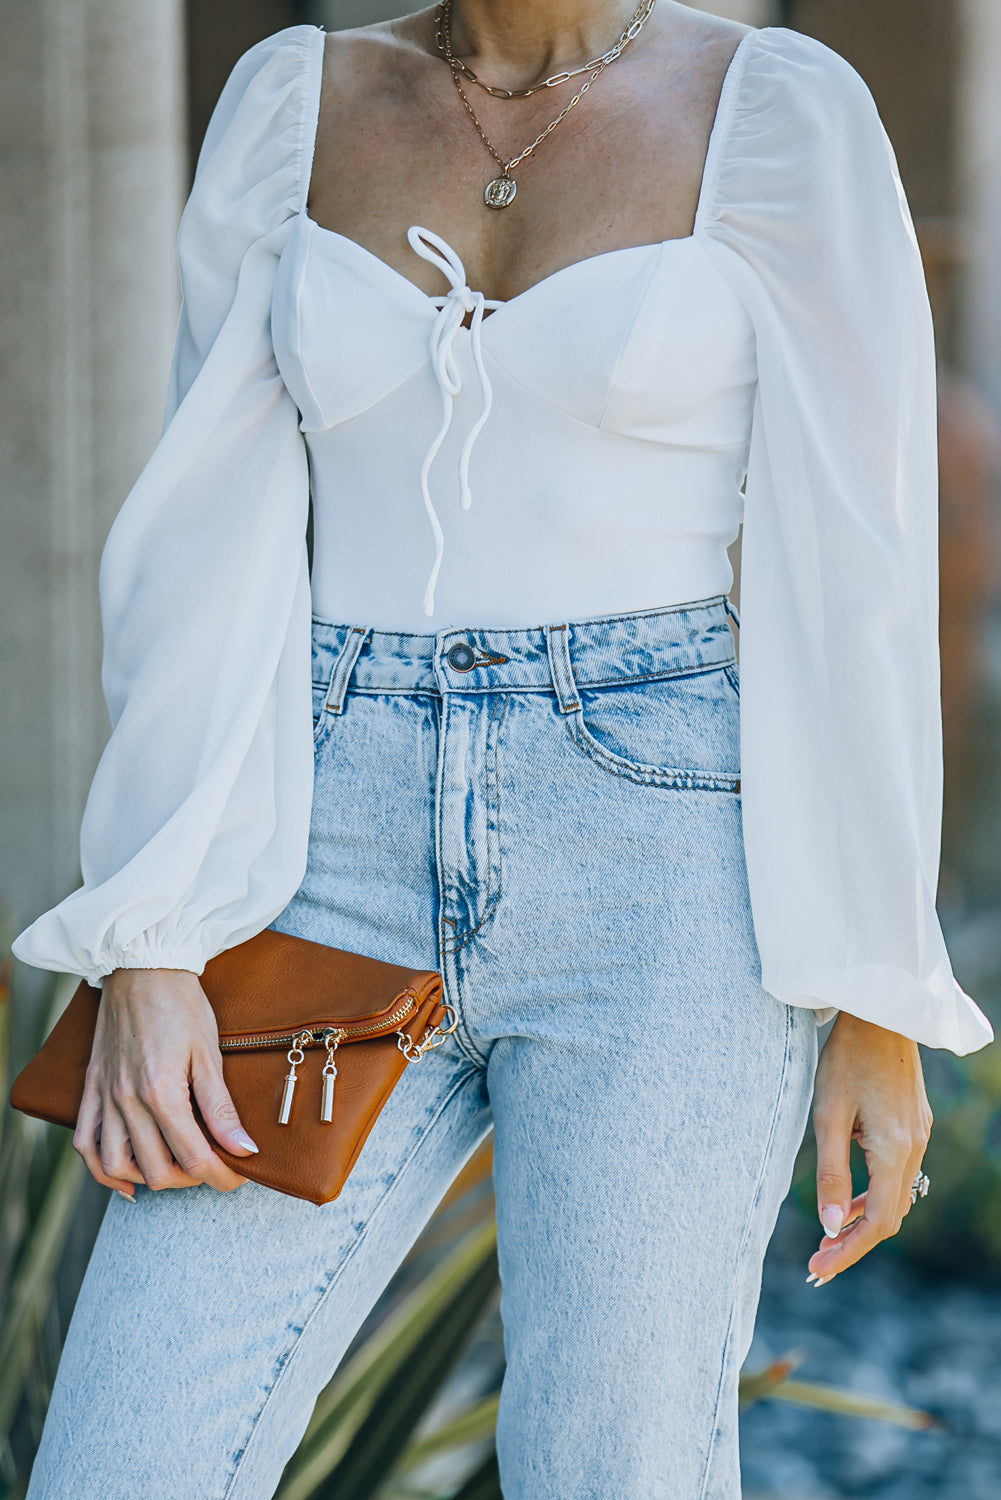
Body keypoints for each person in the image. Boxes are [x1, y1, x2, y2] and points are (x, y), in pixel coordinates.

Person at [13, 2, 993, 1496]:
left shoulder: (774, 111)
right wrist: (149, 939)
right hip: (315, 844)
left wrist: (870, 992)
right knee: (125, 1462)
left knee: (617, 1468)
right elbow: (201, 542)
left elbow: (853, 563)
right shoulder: (297, 99)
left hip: (665, 861)